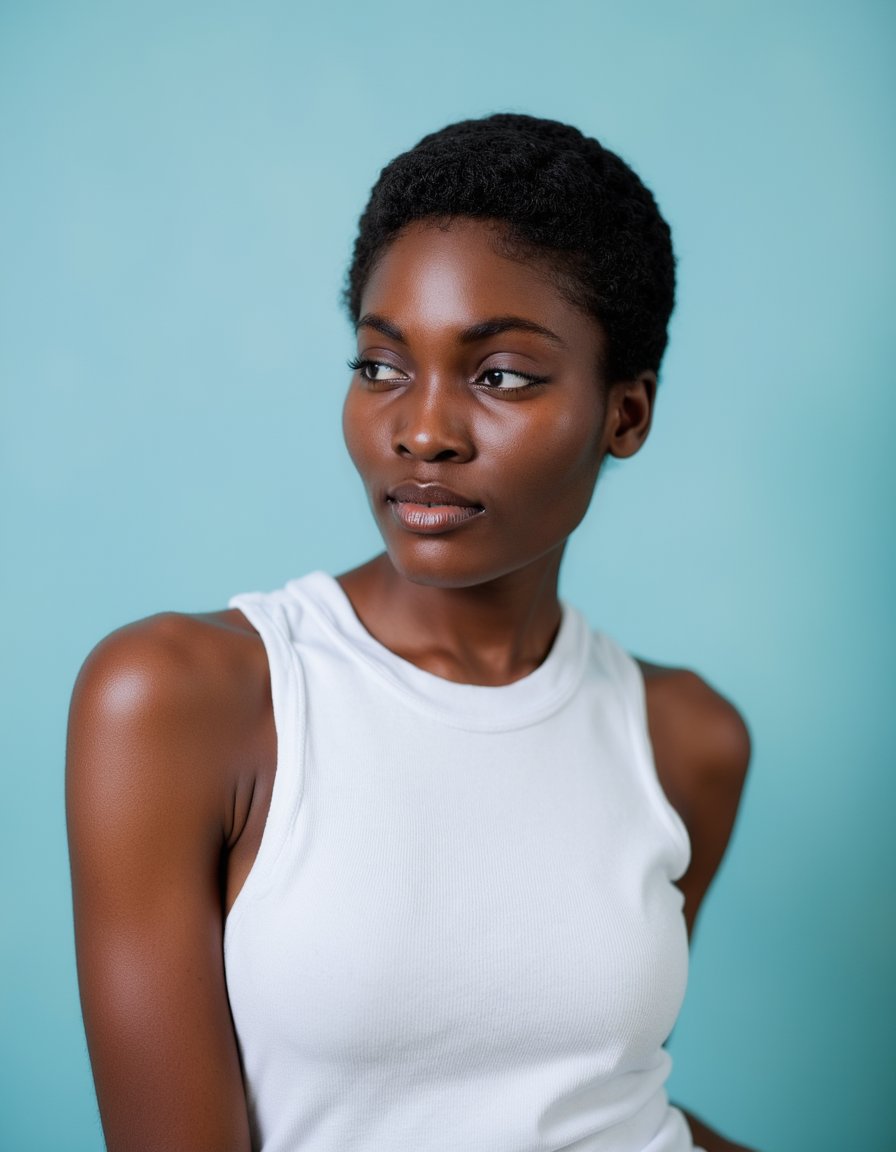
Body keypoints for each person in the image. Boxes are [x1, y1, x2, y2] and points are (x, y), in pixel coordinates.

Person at [66, 114, 756, 1152]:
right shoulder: (183, 697)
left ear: (624, 415)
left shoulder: (684, 738)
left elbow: (587, 1099)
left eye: (501, 376)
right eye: (382, 366)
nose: (421, 430)